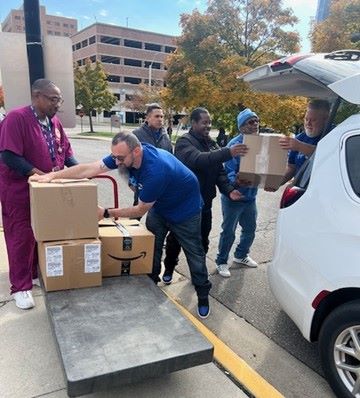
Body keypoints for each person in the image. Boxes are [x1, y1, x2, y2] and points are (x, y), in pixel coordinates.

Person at [30, 132, 212, 319]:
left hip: (185, 211)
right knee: (152, 249)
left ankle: (203, 294)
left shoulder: (155, 170)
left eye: (120, 158)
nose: (116, 163)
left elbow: (139, 210)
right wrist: (53, 176)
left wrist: (106, 213)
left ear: (136, 151)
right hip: (160, 206)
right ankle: (151, 285)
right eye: (114, 157)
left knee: (194, 253)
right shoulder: (125, 155)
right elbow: (90, 169)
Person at [0, 79, 78, 309]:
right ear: (37, 96)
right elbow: (8, 155)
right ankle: (20, 287)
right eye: (53, 99)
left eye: (59, 100)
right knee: (20, 236)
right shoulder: (17, 118)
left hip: (45, 189)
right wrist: (39, 174)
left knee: (41, 232)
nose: (57, 104)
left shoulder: (54, 122)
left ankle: (33, 273)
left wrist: (80, 172)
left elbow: (67, 152)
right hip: (19, 189)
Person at [162, 107, 246, 283]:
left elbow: (219, 173)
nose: (208, 126)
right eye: (204, 122)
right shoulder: (185, 143)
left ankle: (197, 275)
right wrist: (227, 152)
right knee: (176, 240)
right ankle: (169, 268)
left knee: (202, 242)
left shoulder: (212, 142)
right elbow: (198, 159)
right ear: (193, 123)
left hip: (204, 204)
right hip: (184, 205)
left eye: (210, 122)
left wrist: (230, 190)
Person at [132, 103, 181, 284]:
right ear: (147, 117)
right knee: (134, 223)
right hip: (144, 188)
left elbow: (171, 160)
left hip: (163, 194)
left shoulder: (166, 136)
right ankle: (130, 255)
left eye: (161, 116)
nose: (160, 119)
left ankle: (153, 273)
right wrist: (133, 181)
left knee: (155, 233)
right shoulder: (136, 136)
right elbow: (127, 162)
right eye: (156, 116)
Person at [216, 108, 260, 277]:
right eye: (251, 122)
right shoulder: (234, 145)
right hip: (234, 197)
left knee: (250, 228)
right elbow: (227, 172)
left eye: (256, 121)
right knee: (228, 231)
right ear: (242, 127)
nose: (255, 124)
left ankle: (241, 255)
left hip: (250, 197)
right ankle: (221, 261)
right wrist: (236, 182)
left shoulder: (259, 144)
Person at [279, 99, 330, 184]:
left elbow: (325, 155)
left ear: (325, 120)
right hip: (301, 189)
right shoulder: (300, 138)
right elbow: (291, 168)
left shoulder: (334, 134)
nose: (308, 123)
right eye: (306, 119)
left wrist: (299, 146)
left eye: (313, 120)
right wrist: (276, 183)